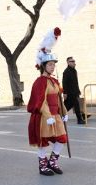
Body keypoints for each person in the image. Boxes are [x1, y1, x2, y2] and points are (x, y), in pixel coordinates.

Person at [27, 28, 69, 176]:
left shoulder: (54, 81)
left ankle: (53, 162)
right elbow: (41, 101)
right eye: (50, 64)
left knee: (62, 138)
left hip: (55, 115)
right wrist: (47, 115)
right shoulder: (40, 82)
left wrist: (63, 112)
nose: (52, 66)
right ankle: (42, 165)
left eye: (53, 64)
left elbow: (58, 98)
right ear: (43, 66)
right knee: (43, 141)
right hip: (44, 116)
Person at [62, 56, 86, 124]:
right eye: (71, 61)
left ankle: (59, 115)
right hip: (70, 92)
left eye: (74, 61)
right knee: (76, 105)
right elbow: (64, 83)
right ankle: (80, 119)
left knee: (67, 106)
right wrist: (65, 93)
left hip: (75, 92)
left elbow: (76, 82)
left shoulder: (74, 71)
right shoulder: (66, 72)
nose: (73, 62)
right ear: (68, 62)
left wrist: (78, 90)